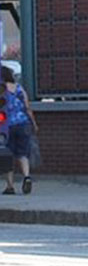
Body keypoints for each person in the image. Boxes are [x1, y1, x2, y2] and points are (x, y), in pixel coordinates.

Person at [2, 66, 36, 195]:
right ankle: (27, 176)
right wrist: (34, 123)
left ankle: (10, 186)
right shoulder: (19, 88)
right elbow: (27, 107)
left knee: (7, 156)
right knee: (23, 153)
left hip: (7, 126)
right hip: (23, 123)